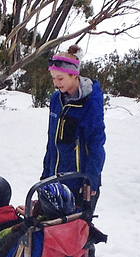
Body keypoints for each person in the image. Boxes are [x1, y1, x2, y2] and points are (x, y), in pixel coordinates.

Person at [43, 44, 106, 210]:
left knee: (76, 232)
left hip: (80, 184)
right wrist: (46, 175)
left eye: (61, 78)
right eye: (53, 78)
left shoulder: (90, 101)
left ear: (73, 75)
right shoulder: (56, 99)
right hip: (56, 180)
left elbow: (96, 143)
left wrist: (90, 179)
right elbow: (52, 141)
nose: (56, 83)